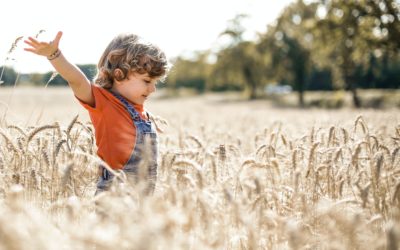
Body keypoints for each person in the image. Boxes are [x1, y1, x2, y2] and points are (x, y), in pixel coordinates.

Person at [24, 31, 170, 194]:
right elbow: (77, 81)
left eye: (155, 82)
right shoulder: (104, 103)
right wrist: (54, 54)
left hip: (142, 197)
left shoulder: (141, 112)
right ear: (119, 74)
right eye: (147, 81)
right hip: (114, 193)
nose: (153, 88)